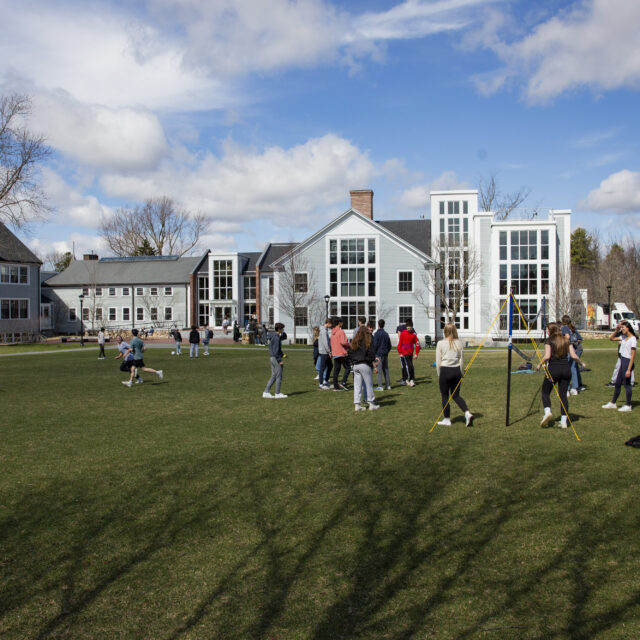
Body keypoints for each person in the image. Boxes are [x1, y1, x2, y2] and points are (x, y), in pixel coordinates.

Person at [537, 322, 582, 428]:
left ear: (551, 330)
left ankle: (547, 412)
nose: (547, 331)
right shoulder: (566, 340)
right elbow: (573, 355)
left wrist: (539, 364)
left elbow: (547, 356)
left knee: (545, 392)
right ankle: (563, 422)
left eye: (547, 329)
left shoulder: (549, 340)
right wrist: (581, 363)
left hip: (554, 370)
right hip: (566, 370)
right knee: (563, 396)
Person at [436, 323, 473, 427]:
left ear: (445, 332)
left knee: (444, 396)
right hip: (456, 371)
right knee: (456, 395)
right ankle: (467, 413)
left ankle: (447, 419)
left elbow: (438, 361)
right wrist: (461, 373)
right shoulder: (460, 343)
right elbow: (461, 360)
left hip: (445, 371)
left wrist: (439, 374)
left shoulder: (440, 343)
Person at [602, 321, 636, 412]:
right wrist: (616, 330)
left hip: (627, 362)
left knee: (627, 385)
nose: (622, 329)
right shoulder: (623, 337)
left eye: (623, 328)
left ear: (628, 328)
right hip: (622, 361)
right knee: (617, 383)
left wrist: (629, 369)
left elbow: (633, 356)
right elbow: (611, 338)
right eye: (621, 328)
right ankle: (613, 403)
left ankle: (628, 405)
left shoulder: (633, 339)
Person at [348, 325, 380, 411]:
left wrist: (352, 362)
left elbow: (349, 353)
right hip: (365, 364)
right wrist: (373, 361)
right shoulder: (368, 342)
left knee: (357, 386)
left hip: (356, 365)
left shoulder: (354, 342)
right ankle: (371, 403)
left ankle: (357, 405)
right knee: (369, 385)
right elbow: (371, 354)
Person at [263, 322, 288, 398]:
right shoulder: (276, 338)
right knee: (279, 375)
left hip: (272, 357)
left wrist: (283, 354)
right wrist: (280, 360)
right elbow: (276, 350)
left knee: (274, 375)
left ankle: (266, 392)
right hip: (275, 358)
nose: (283, 330)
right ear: (279, 329)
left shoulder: (274, 336)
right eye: (282, 329)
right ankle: (277, 393)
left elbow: (283, 338)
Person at [561, 315, 584, 394]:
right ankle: (576, 387)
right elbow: (580, 339)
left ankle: (568, 388)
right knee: (574, 367)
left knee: (568, 368)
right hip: (578, 348)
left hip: (570, 349)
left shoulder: (564, 328)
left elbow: (567, 337)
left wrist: (563, 342)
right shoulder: (572, 328)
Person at [397, 319, 420, 386]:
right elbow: (400, 344)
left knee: (409, 366)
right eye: (407, 328)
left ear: (412, 327)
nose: (408, 329)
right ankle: (411, 379)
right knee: (409, 366)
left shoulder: (413, 335)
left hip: (410, 353)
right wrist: (400, 353)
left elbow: (417, 344)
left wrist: (416, 353)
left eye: (410, 328)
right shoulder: (403, 334)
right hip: (404, 353)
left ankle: (406, 379)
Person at [331, 317, 351, 391]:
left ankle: (336, 386)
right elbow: (343, 342)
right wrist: (349, 344)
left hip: (335, 353)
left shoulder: (333, 332)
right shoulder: (341, 331)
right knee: (348, 367)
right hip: (342, 353)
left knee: (336, 370)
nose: (342, 323)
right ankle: (343, 383)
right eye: (342, 322)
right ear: (339, 323)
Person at [372, 319, 392, 390]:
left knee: (379, 370)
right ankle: (388, 385)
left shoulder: (377, 334)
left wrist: (374, 353)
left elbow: (375, 345)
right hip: (385, 354)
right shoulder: (386, 334)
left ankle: (380, 386)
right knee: (386, 369)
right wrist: (387, 351)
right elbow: (390, 345)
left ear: (378, 325)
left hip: (378, 354)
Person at [317, 318, 333, 389]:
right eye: (331, 324)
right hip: (324, 352)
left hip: (325, 352)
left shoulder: (325, 330)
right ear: (328, 323)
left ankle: (325, 381)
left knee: (330, 365)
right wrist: (329, 351)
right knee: (322, 368)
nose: (331, 326)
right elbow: (325, 342)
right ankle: (321, 384)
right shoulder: (323, 331)